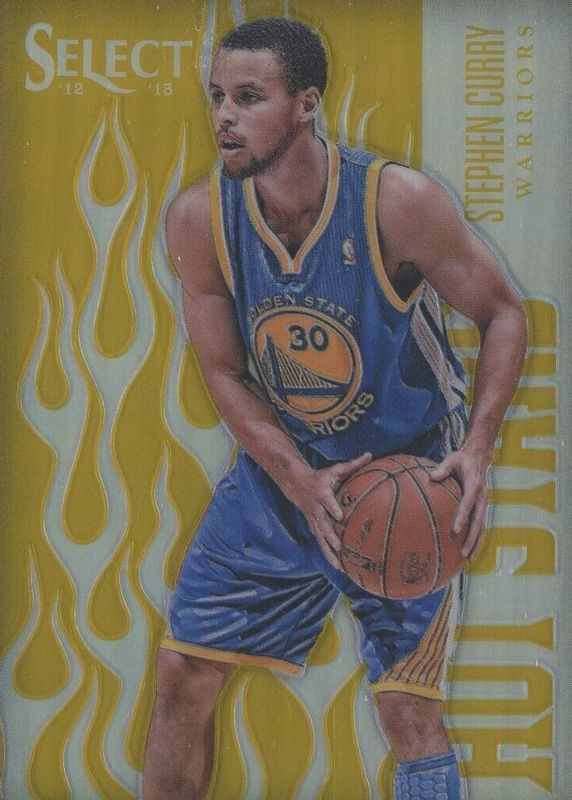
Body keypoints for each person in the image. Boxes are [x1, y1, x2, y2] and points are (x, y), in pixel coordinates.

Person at [142, 17, 527, 800]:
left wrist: (479, 447)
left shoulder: (398, 203)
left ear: (306, 104)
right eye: (217, 97)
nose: (224, 116)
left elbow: (503, 313)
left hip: (408, 466)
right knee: (185, 671)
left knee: (408, 709)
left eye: (249, 97)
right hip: (286, 471)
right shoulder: (198, 220)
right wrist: (294, 477)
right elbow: (225, 373)